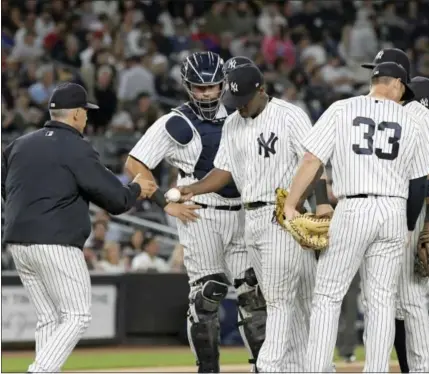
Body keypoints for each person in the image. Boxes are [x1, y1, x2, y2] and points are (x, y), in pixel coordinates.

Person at [178, 62, 329, 372]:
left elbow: (314, 162)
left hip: (283, 215)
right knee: (294, 303)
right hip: (252, 220)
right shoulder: (234, 123)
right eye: (236, 100)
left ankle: (271, 367)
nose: (241, 105)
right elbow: (223, 171)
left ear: (262, 90)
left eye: (246, 99)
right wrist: (192, 189)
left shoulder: (289, 115)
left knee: (280, 302)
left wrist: (317, 203)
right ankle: (309, 368)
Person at [283, 62, 429, 372]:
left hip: (353, 207)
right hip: (393, 209)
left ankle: (317, 369)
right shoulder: (411, 121)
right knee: (381, 302)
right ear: (397, 84)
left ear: (375, 80)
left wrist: (291, 204)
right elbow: (420, 182)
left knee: (327, 295)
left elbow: (312, 159)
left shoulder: (342, 108)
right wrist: (407, 226)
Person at [125, 52, 266, 372]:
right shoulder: (175, 121)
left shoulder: (241, 108)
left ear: (223, 84)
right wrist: (165, 202)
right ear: (187, 87)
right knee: (207, 294)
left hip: (243, 212)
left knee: (253, 296)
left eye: (213, 86)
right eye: (198, 88)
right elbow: (135, 163)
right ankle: (208, 368)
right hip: (200, 213)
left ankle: (264, 366)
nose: (206, 93)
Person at [1, 82, 155, 373]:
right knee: (78, 314)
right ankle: (40, 371)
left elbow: (5, 186)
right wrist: (136, 188)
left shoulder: (19, 144)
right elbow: (116, 199)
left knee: (49, 317)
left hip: (19, 241)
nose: (87, 117)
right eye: (85, 111)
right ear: (75, 115)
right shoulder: (76, 147)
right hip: (55, 241)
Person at [361, 48, 429, 373]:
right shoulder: (385, 112)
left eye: (383, 75)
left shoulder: (419, 116)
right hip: (388, 211)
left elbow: (428, 176)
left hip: (412, 212)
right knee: (385, 302)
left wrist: (427, 224)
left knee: (411, 298)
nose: (377, 80)